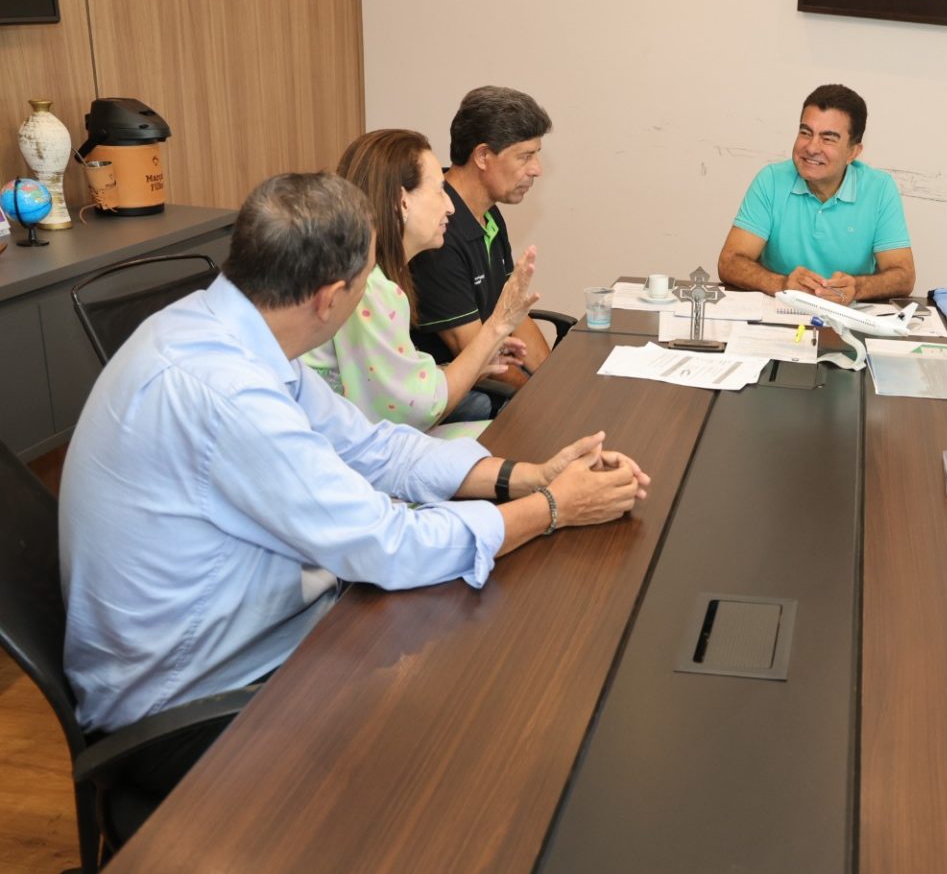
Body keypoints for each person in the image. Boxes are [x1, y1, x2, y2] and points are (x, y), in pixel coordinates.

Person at [60, 172, 648, 792]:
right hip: (190, 710)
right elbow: (384, 543)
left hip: (250, 635)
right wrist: (554, 509)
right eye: (368, 279)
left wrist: (525, 478)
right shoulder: (227, 392)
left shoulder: (228, 327)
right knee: (466, 734)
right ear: (330, 297)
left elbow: (367, 446)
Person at [304, 129, 537, 438]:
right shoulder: (367, 286)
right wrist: (498, 325)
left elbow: (400, 380)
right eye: (439, 191)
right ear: (402, 202)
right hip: (342, 451)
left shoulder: (373, 274)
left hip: (353, 437)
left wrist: (479, 361)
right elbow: (415, 412)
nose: (450, 207)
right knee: (517, 438)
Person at [409, 86, 553, 401]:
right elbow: (475, 353)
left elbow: (512, 312)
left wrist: (554, 379)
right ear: (483, 156)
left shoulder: (488, 216)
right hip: (460, 395)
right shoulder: (438, 233)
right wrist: (544, 398)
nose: (537, 169)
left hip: (496, 371)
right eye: (525, 156)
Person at [717, 84, 915, 302]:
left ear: (853, 152)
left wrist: (857, 288)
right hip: (779, 313)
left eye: (828, 138)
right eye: (805, 132)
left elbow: (903, 276)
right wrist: (782, 284)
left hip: (847, 317)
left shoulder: (879, 188)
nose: (811, 147)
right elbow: (730, 262)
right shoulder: (771, 179)